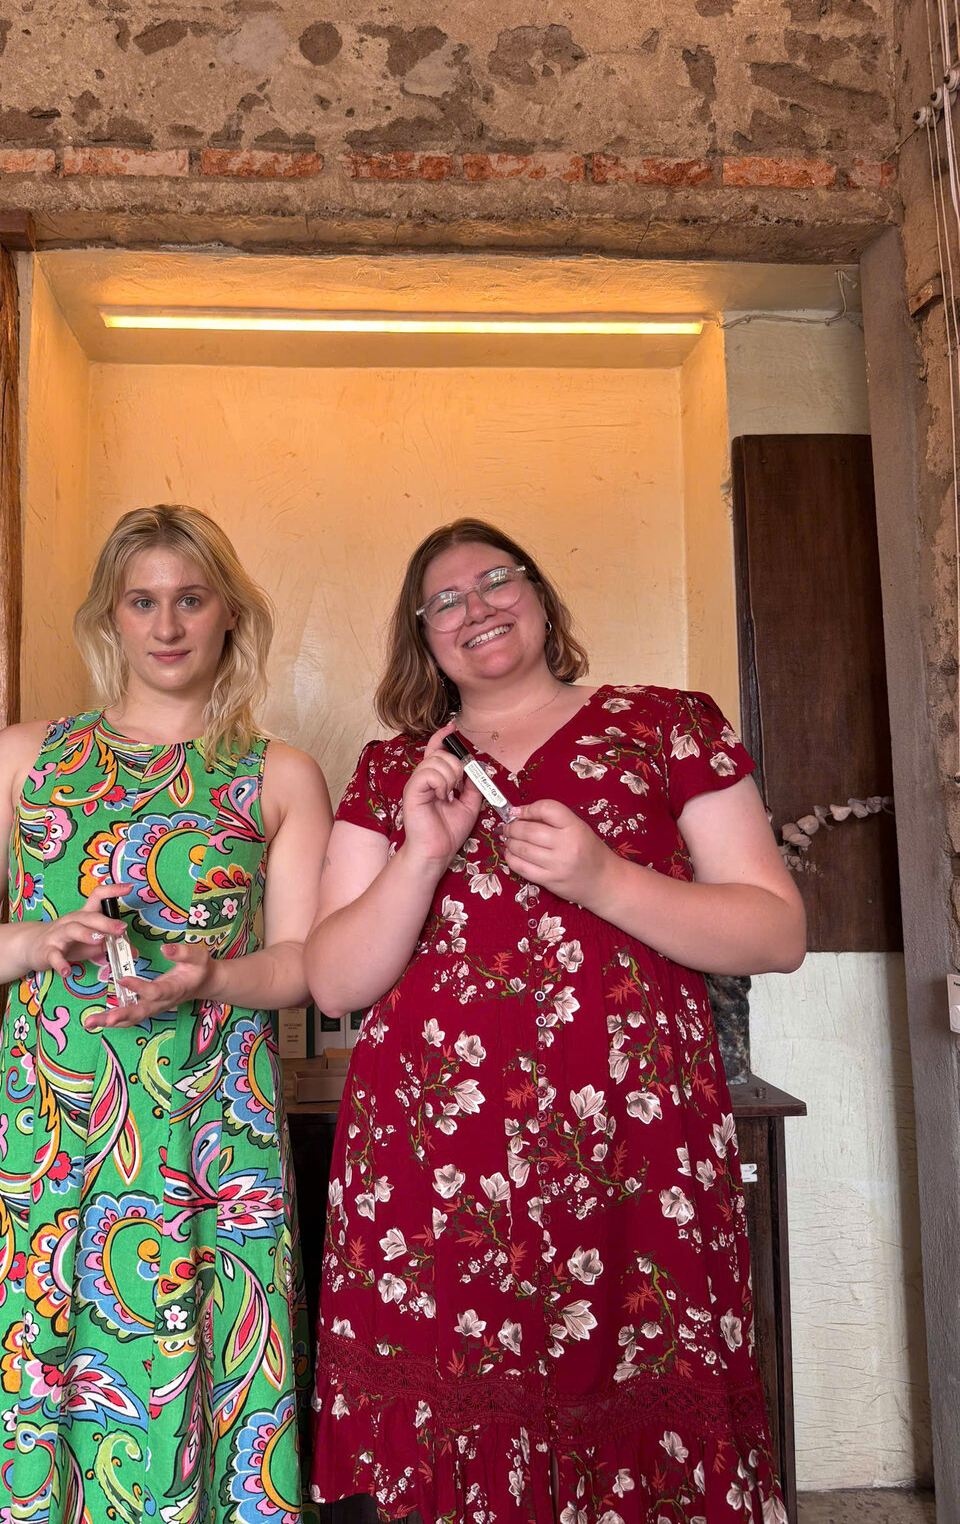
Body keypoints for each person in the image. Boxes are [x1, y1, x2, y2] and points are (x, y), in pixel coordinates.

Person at [306, 518, 805, 1524]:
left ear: (541, 597)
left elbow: (775, 930)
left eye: (497, 580)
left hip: (634, 1147)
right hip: (437, 1160)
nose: (475, 607)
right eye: (444, 599)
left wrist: (605, 877)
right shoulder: (391, 770)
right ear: (423, 636)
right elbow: (330, 980)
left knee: (635, 1408)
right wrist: (421, 853)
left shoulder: (667, 725)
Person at [0, 504, 332, 1524]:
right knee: (29, 1387)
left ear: (229, 612)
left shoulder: (278, 776)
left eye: (190, 598)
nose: (167, 623)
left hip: (209, 1141)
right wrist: (33, 940)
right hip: (52, 1140)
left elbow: (310, 967)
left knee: (205, 1380)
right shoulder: (26, 757)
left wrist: (215, 976)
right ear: (110, 616)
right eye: (141, 600)